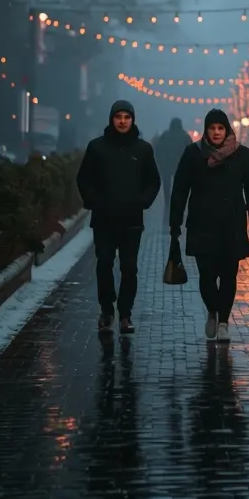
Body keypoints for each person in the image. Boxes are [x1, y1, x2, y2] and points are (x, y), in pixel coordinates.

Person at [169, 108, 249, 342]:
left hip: (231, 223)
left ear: (227, 129)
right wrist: (175, 221)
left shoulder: (242, 155)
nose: (217, 132)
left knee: (229, 275)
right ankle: (213, 310)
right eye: (212, 128)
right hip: (202, 223)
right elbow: (180, 188)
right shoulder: (193, 154)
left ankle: (223, 321)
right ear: (206, 130)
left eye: (221, 128)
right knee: (207, 275)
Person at [77, 99, 161, 335]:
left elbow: (153, 181)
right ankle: (106, 310)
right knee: (104, 264)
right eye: (118, 117)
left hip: (131, 220)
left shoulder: (143, 149)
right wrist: (94, 200)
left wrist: (142, 202)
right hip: (103, 219)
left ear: (132, 119)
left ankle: (125, 314)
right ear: (112, 119)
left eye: (126, 117)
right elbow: (83, 178)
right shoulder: (97, 147)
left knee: (129, 268)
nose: (122, 121)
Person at [155, 116, 192, 215]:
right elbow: (191, 151)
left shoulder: (165, 135)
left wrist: (159, 162)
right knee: (178, 186)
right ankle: (177, 202)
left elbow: (158, 150)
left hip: (166, 165)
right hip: (179, 165)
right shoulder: (185, 136)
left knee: (167, 186)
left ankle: (168, 203)